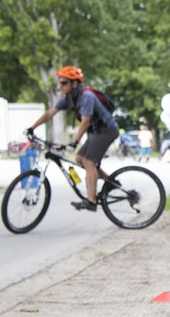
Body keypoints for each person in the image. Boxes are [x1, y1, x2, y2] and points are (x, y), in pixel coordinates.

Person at [27, 66, 119, 212]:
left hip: (107, 130)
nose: (60, 86)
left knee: (89, 162)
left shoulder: (87, 97)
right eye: (60, 83)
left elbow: (85, 122)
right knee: (80, 159)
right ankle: (110, 182)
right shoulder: (69, 99)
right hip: (97, 131)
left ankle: (91, 201)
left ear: (74, 84)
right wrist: (32, 128)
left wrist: (74, 142)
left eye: (64, 83)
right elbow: (49, 113)